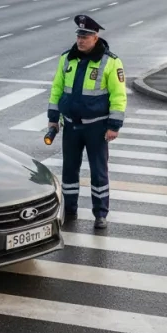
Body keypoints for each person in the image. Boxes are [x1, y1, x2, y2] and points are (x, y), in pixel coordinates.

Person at [47, 15, 127, 229]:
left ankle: (100, 213)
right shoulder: (67, 59)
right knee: (69, 170)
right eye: (79, 36)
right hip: (71, 125)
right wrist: (53, 120)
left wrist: (113, 126)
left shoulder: (110, 61)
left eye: (86, 36)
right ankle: (69, 208)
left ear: (96, 37)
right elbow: (56, 90)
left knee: (98, 171)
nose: (81, 40)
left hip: (97, 127)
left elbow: (118, 96)